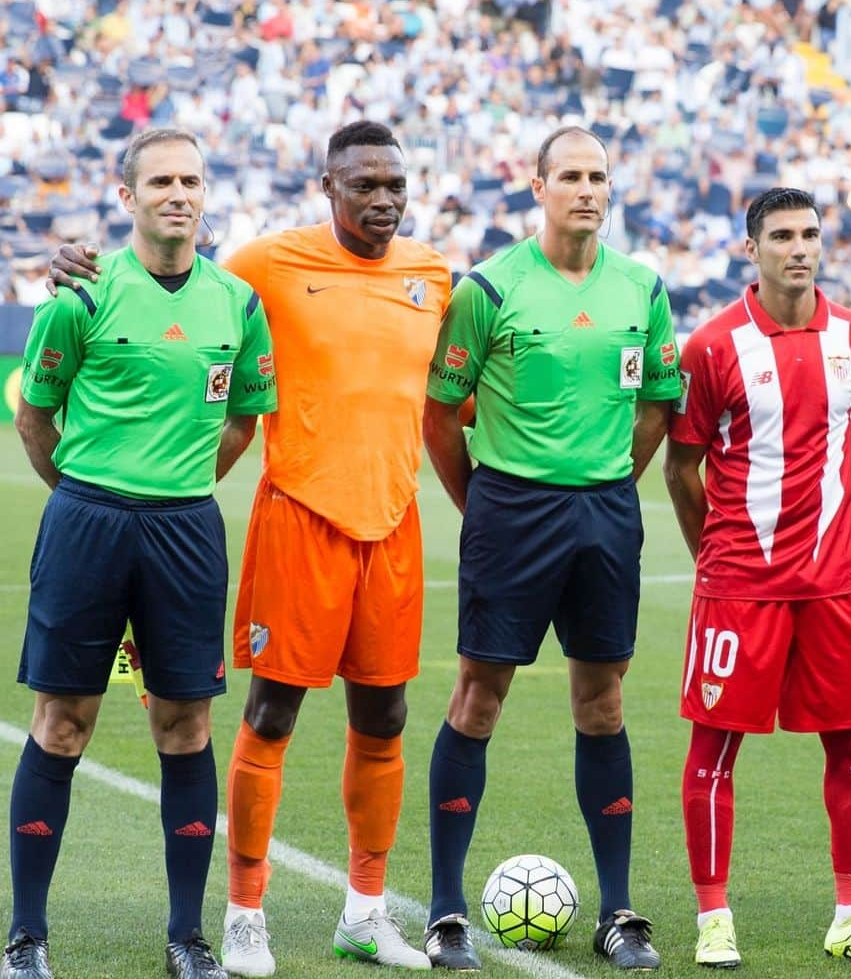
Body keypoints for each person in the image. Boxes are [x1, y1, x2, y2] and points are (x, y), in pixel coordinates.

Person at [43, 121, 450, 977]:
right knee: (269, 714)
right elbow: (171, 264)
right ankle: (243, 915)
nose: (382, 201)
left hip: (394, 523)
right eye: (363, 185)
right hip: (299, 519)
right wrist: (71, 263)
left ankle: (367, 914)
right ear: (327, 185)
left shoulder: (434, 275)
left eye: (394, 187)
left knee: (386, 718)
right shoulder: (265, 265)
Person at [1, 128, 277, 979]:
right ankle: (27, 937)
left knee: (184, 723)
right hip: (87, 522)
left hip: (186, 529)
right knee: (63, 722)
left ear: (206, 193)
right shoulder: (80, 297)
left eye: (191, 179)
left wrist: (177, 484)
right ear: (128, 197)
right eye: (160, 180)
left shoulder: (237, 303)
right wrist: (85, 496)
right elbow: (35, 415)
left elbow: (243, 419)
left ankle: (188, 938)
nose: (178, 194)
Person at [422, 125, 681, 971]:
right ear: (538, 187)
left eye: (599, 176)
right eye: (570, 175)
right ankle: (446, 911)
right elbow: (440, 411)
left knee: (602, 702)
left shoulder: (642, 288)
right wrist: (487, 505)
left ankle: (618, 911)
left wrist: (612, 482)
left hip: (605, 513)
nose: (587, 189)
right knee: (478, 696)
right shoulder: (490, 288)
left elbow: (657, 410)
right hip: (511, 509)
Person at [663, 187, 851, 971]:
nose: (800, 248)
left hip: (834, 585)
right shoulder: (712, 347)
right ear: (751, 249)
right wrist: (719, 556)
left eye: (810, 234)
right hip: (740, 586)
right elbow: (681, 470)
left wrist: (833, 533)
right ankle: (713, 917)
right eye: (782, 236)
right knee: (715, 751)